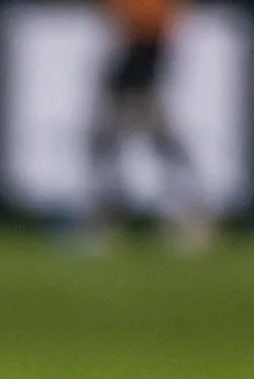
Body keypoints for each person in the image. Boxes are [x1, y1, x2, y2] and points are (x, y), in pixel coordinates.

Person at [87, 0, 214, 251]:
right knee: (114, 145)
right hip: (135, 61)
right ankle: (109, 220)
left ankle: (192, 218)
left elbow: (151, 23)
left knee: (153, 145)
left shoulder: (152, 14)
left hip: (142, 61)